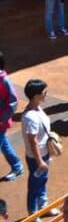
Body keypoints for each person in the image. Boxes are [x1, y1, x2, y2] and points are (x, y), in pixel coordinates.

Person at [21, 79, 53, 221]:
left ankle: (43, 207)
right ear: (35, 95)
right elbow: (32, 141)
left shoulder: (37, 108)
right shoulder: (30, 117)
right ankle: (33, 216)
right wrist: (40, 161)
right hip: (36, 158)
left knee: (42, 181)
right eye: (44, 92)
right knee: (34, 185)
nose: (46, 94)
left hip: (43, 154)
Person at [0, 52, 23, 182]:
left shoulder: (4, 80)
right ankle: (17, 166)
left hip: (1, 121)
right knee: (4, 144)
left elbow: (13, 102)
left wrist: (2, 119)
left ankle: (17, 166)